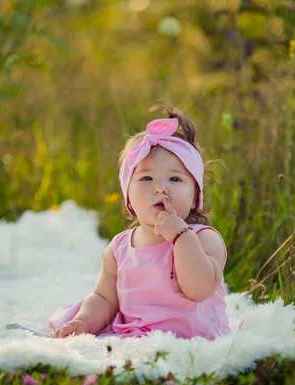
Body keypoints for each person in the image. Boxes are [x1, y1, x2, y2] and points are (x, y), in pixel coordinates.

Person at [48, 105, 230, 340]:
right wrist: (83, 321)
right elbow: (104, 299)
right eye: (146, 178)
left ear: (195, 195)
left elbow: (198, 289)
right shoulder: (120, 248)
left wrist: (181, 236)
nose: (160, 188)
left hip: (192, 341)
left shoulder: (204, 238)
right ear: (128, 198)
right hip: (136, 340)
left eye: (175, 178)